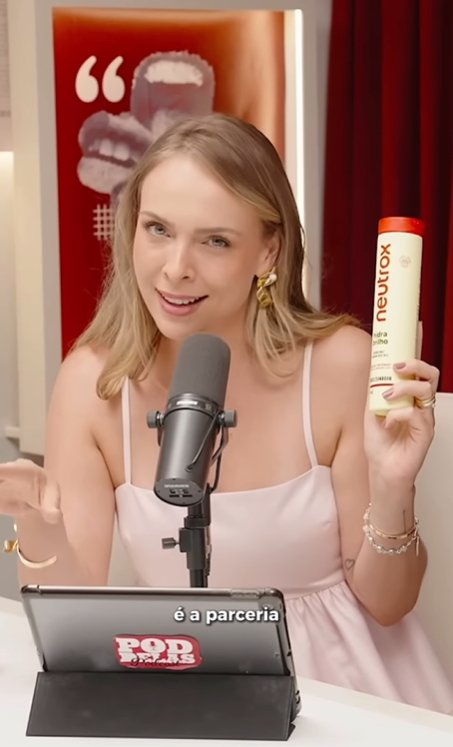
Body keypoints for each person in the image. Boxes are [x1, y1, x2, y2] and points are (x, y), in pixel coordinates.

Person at [2, 113, 452, 712]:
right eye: (158, 229)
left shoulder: (341, 364)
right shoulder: (93, 381)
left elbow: (388, 604)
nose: (175, 268)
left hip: (340, 695)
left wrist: (395, 487)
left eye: (215, 241)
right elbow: (75, 623)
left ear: (269, 250)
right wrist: (37, 519)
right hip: (181, 687)